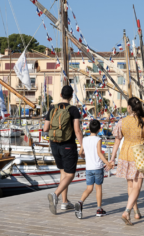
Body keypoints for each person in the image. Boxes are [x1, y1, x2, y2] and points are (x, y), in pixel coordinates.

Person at [109, 97, 144, 226]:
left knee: (130, 186)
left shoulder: (122, 121)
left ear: (129, 107)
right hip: (139, 154)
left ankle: (136, 211)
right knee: (137, 186)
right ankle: (127, 211)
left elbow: (117, 141)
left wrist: (112, 159)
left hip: (125, 153)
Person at [43, 85, 83, 215]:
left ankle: (65, 202)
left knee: (63, 172)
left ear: (61, 95)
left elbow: (45, 128)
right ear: (71, 96)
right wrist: (83, 145)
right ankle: (56, 195)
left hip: (54, 144)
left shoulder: (52, 108)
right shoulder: (73, 110)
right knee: (70, 174)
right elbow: (77, 130)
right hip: (68, 145)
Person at [74, 120, 114, 219]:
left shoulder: (85, 139)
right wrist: (108, 163)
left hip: (89, 168)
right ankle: (99, 209)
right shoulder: (98, 139)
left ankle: (80, 202)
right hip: (97, 167)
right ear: (99, 129)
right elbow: (99, 153)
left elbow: (80, 152)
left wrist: (84, 156)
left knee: (89, 188)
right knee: (98, 188)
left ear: (89, 128)